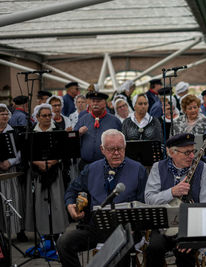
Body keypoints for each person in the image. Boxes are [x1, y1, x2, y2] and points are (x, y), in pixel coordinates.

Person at [57, 129, 148, 267]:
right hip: (95, 227)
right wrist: (70, 206)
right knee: (64, 242)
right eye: (111, 149)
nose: (117, 153)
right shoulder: (91, 169)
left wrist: (136, 226)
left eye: (120, 148)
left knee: (119, 251)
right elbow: (71, 190)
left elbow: (145, 202)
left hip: (127, 229)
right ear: (102, 149)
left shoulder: (138, 169)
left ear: (125, 147)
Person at [145, 133, 206, 267]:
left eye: (193, 151)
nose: (192, 156)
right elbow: (149, 199)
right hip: (163, 225)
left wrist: (194, 237)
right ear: (171, 152)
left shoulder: (203, 169)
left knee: (185, 252)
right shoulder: (158, 168)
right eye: (186, 153)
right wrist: (171, 192)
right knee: (153, 249)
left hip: (190, 226)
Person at [25, 104, 69, 236]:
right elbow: (26, 152)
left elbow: (64, 151)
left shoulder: (58, 130)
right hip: (37, 172)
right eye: (44, 115)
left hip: (54, 171)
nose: (48, 118)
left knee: (56, 200)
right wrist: (38, 163)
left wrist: (53, 162)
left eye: (50, 115)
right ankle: (42, 231)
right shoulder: (31, 132)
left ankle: (57, 230)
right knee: (39, 201)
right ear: (37, 117)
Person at [74, 92, 121, 170]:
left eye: (98, 101)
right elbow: (72, 138)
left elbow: (121, 143)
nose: (95, 103)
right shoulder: (83, 119)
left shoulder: (114, 121)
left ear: (105, 103)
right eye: (93, 101)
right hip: (86, 165)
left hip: (107, 166)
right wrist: (78, 133)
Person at [0, 104, 26, 241]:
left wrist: (9, 162)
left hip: (11, 170)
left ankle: (18, 231)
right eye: (1, 114)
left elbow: (20, 152)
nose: (4, 116)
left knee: (13, 200)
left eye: (6, 114)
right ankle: (2, 233)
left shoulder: (13, 132)